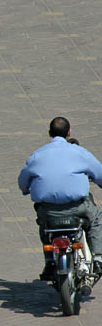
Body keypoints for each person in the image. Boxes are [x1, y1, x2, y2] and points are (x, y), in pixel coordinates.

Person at [18, 117, 102, 280]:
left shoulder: (37, 155)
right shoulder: (79, 152)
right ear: (69, 132)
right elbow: (99, 174)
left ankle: (49, 261)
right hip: (77, 208)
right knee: (97, 219)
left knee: (44, 224)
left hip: (48, 210)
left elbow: (22, 182)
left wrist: (26, 189)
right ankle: (98, 258)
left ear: (50, 133)